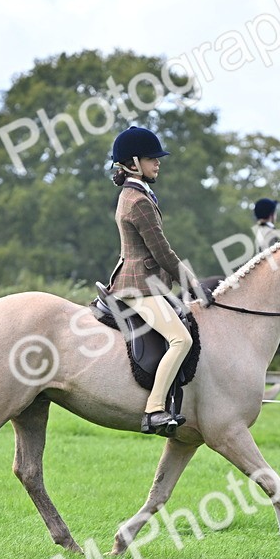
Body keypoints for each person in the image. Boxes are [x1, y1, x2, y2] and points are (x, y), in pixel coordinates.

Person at [106, 125, 197, 437]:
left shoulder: (136, 193)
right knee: (181, 340)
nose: (158, 162)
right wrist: (189, 280)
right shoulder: (138, 201)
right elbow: (161, 250)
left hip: (144, 282)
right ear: (134, 163)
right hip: (139, 286)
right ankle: (155, 409)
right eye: (151, 158)